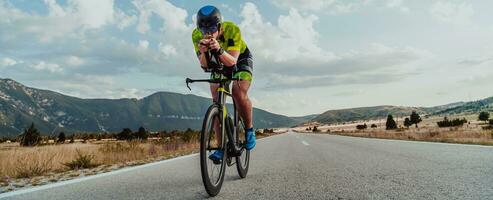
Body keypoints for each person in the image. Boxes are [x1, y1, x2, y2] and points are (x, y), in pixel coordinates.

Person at [192, 5, 255, 163]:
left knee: (238, 91)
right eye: (203, 29)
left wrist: (219, 49)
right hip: (218, 63)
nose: (207, 33)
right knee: (216, 100)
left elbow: (232, 61)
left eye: (212, 28)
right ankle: (220, 147)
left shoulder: (232, 30)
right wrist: (205, 52)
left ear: (219, 26)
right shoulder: (196, 35)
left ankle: (249, 129)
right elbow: (205, 66)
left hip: (239, 60)